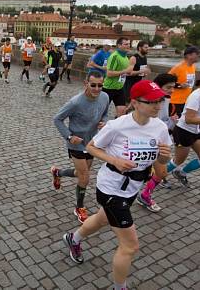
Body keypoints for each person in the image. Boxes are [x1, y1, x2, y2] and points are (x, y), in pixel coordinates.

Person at [63, 80, 172, 290]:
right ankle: (119, 287)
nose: (158, 106)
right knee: (130, 246)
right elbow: (91, 147)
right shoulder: (117, 125)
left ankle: (73, 238)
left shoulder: (159, 127)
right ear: (135, 103)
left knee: (102, 219)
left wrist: (164, 157)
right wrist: (115, 161)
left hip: (133, 187)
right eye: (151, 102)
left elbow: (161, 167)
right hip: (111, 187)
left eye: (160, 100)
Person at [52, 71, 109, 223]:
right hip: (75, 144)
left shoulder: (105, 97)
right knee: (84, 177)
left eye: (100, 85)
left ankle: (58, 172)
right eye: (93, 85)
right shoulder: (75, 102)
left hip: (92, 142)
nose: (97, 89)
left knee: (80, 173)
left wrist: (104, 121)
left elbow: (105, 113)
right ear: (86, 83)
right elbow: (57, 119)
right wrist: (69, 136)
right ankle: (79, 207)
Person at [136, 73, 179, 211]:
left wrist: (172, 121)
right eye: (168, 87)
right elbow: (154, 123)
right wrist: (171, 122)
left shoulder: (167, 100)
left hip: (157, 142)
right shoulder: (156, 103)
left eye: (173, 87)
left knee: (161, 173)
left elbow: (161, 125)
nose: (172, 90)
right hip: (144, 142)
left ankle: (145, 195)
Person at [102, 37, 133, 117]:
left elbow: (123, 72)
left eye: (129, 44)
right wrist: (125, 71)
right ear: (119, 45)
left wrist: (127, 73)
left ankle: (116, 128)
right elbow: (109, 73)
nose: (128, 46)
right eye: (125, 44)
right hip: (108, 88)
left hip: (119, 88)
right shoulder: (114, 56)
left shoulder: (126, 57)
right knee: (101, 113)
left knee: (122, 112)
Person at [168, 46, 199, 117]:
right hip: (175, 101)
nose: (198, 55)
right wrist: (179, 85)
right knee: (171, 125)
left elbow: (190, 83)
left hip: (186, 101)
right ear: (189, 55)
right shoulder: (178, 67)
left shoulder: (193, 67)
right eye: (196, 53)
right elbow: (165, 82)